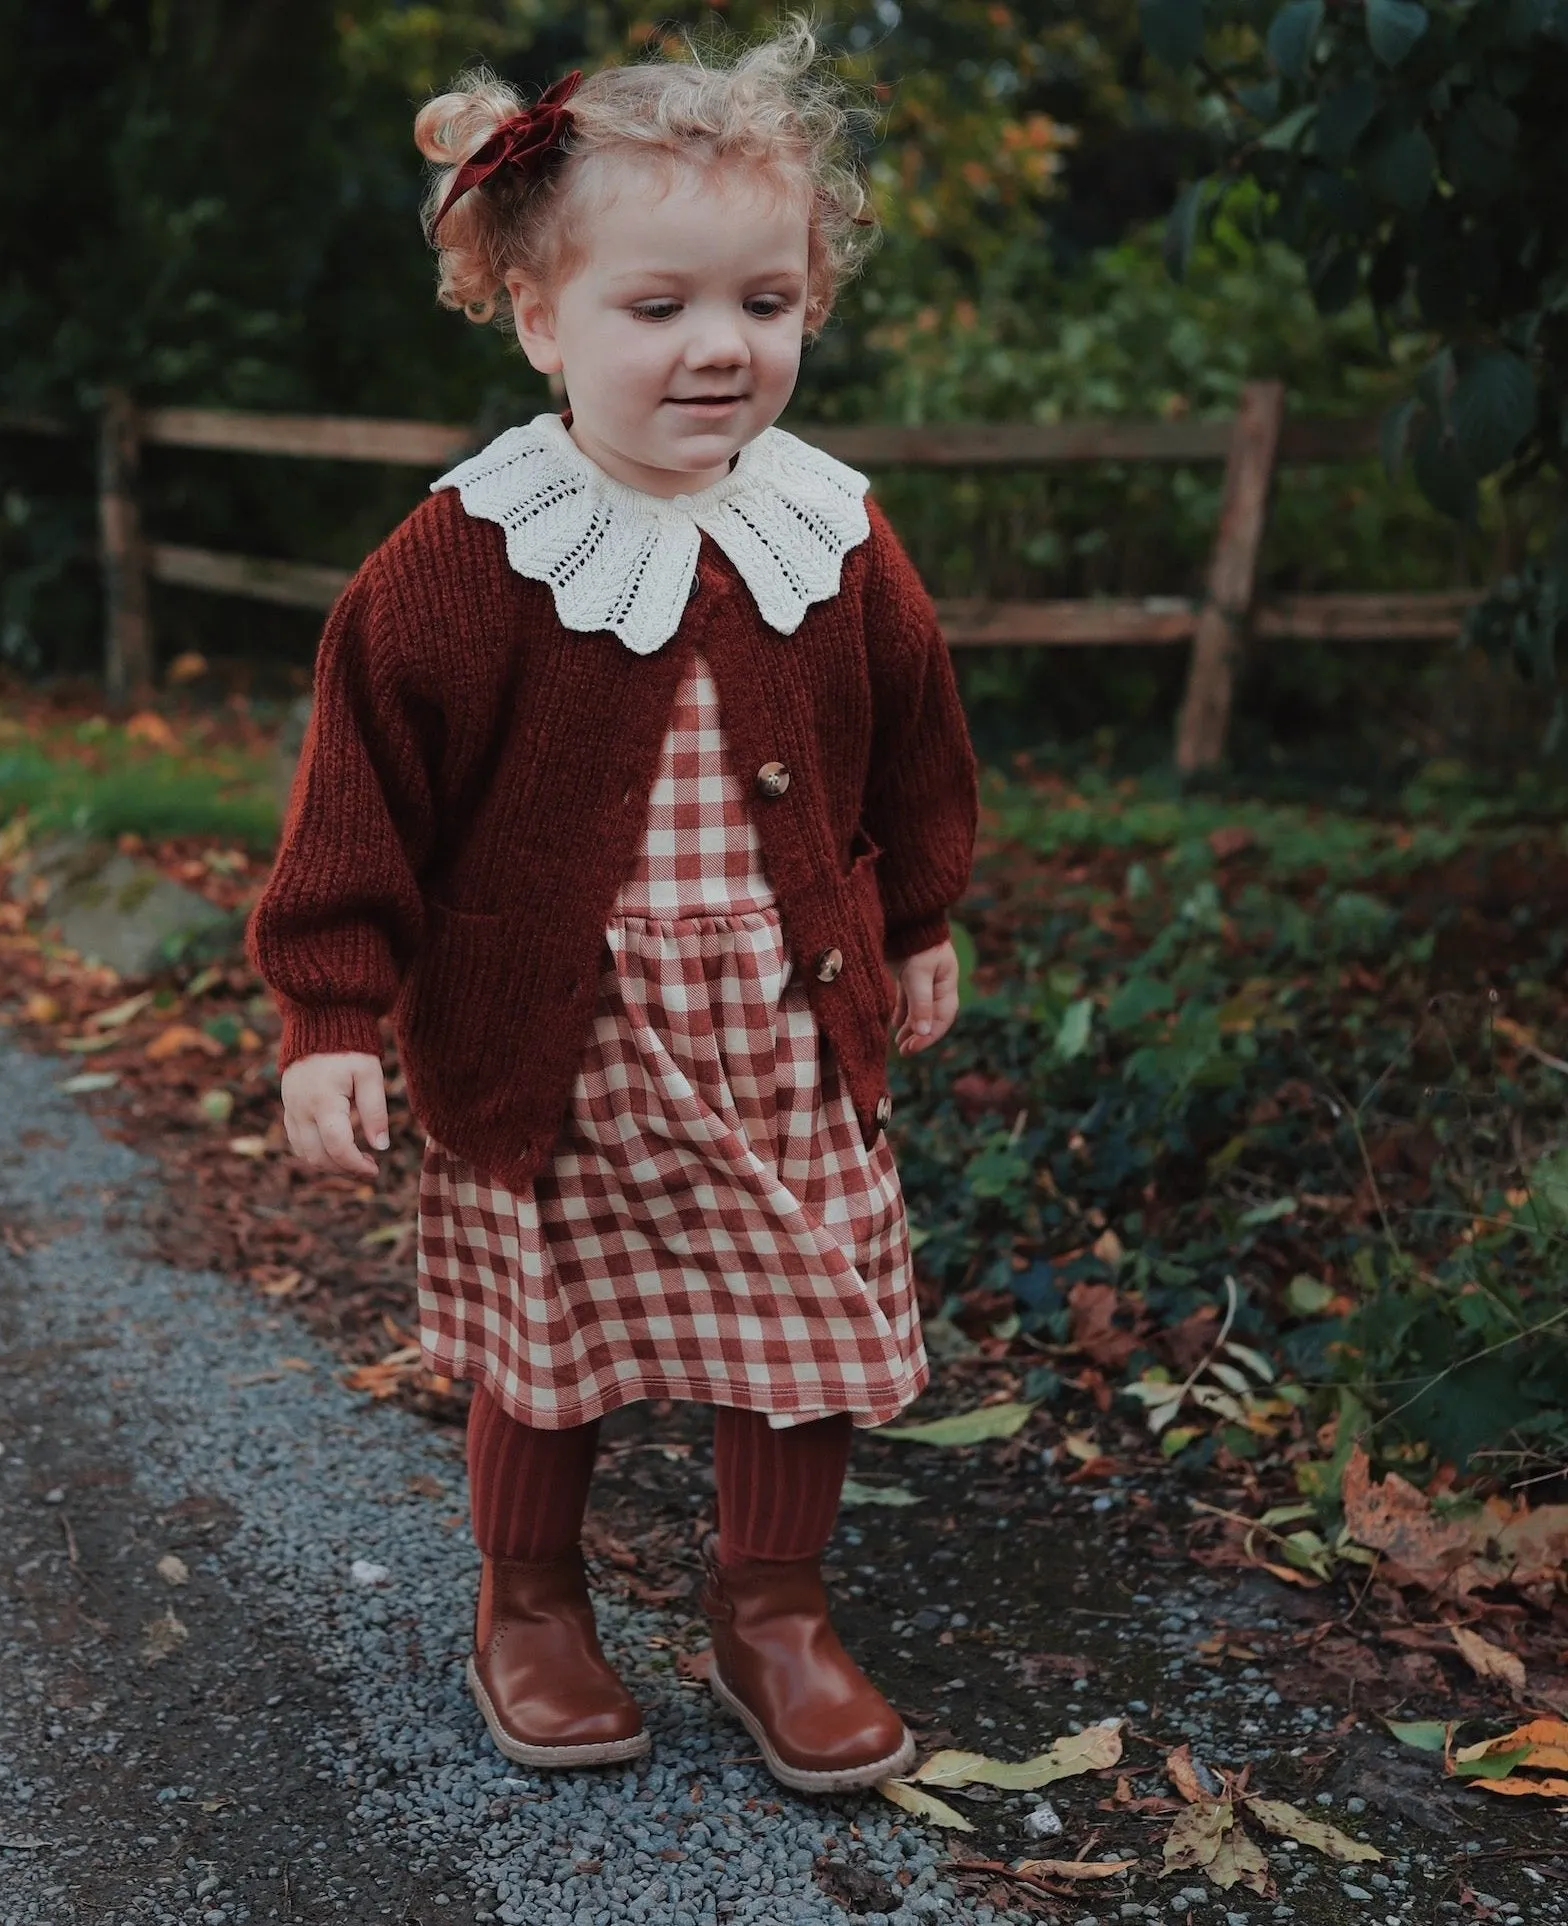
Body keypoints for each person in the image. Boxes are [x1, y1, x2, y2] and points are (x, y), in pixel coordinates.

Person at [248, 19, 977, 1794]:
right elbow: (360, 791)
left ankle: (774, 1607)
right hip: (554, 1035)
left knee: (801, 1302)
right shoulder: (471, 553)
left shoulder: (832, 526)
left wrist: (916, 917)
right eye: (658, 308)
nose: (720, 347)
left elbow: (913, 746)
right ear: (542, 321)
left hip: (782, 1018)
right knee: (548, 1327)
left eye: (767, 302)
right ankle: (532, 1601)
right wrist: (334, 1014)